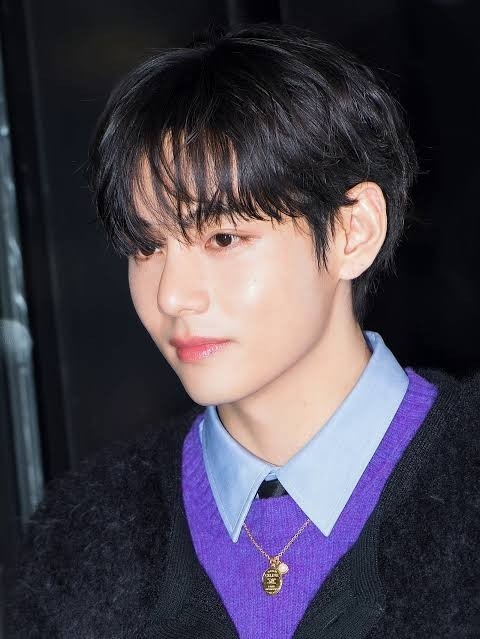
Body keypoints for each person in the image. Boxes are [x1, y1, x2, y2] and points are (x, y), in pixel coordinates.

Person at [5, 22, 479, 639]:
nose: (172, 295)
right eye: (147, 247)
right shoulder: (85, 533)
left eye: (223, 238)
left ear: (352, 232)